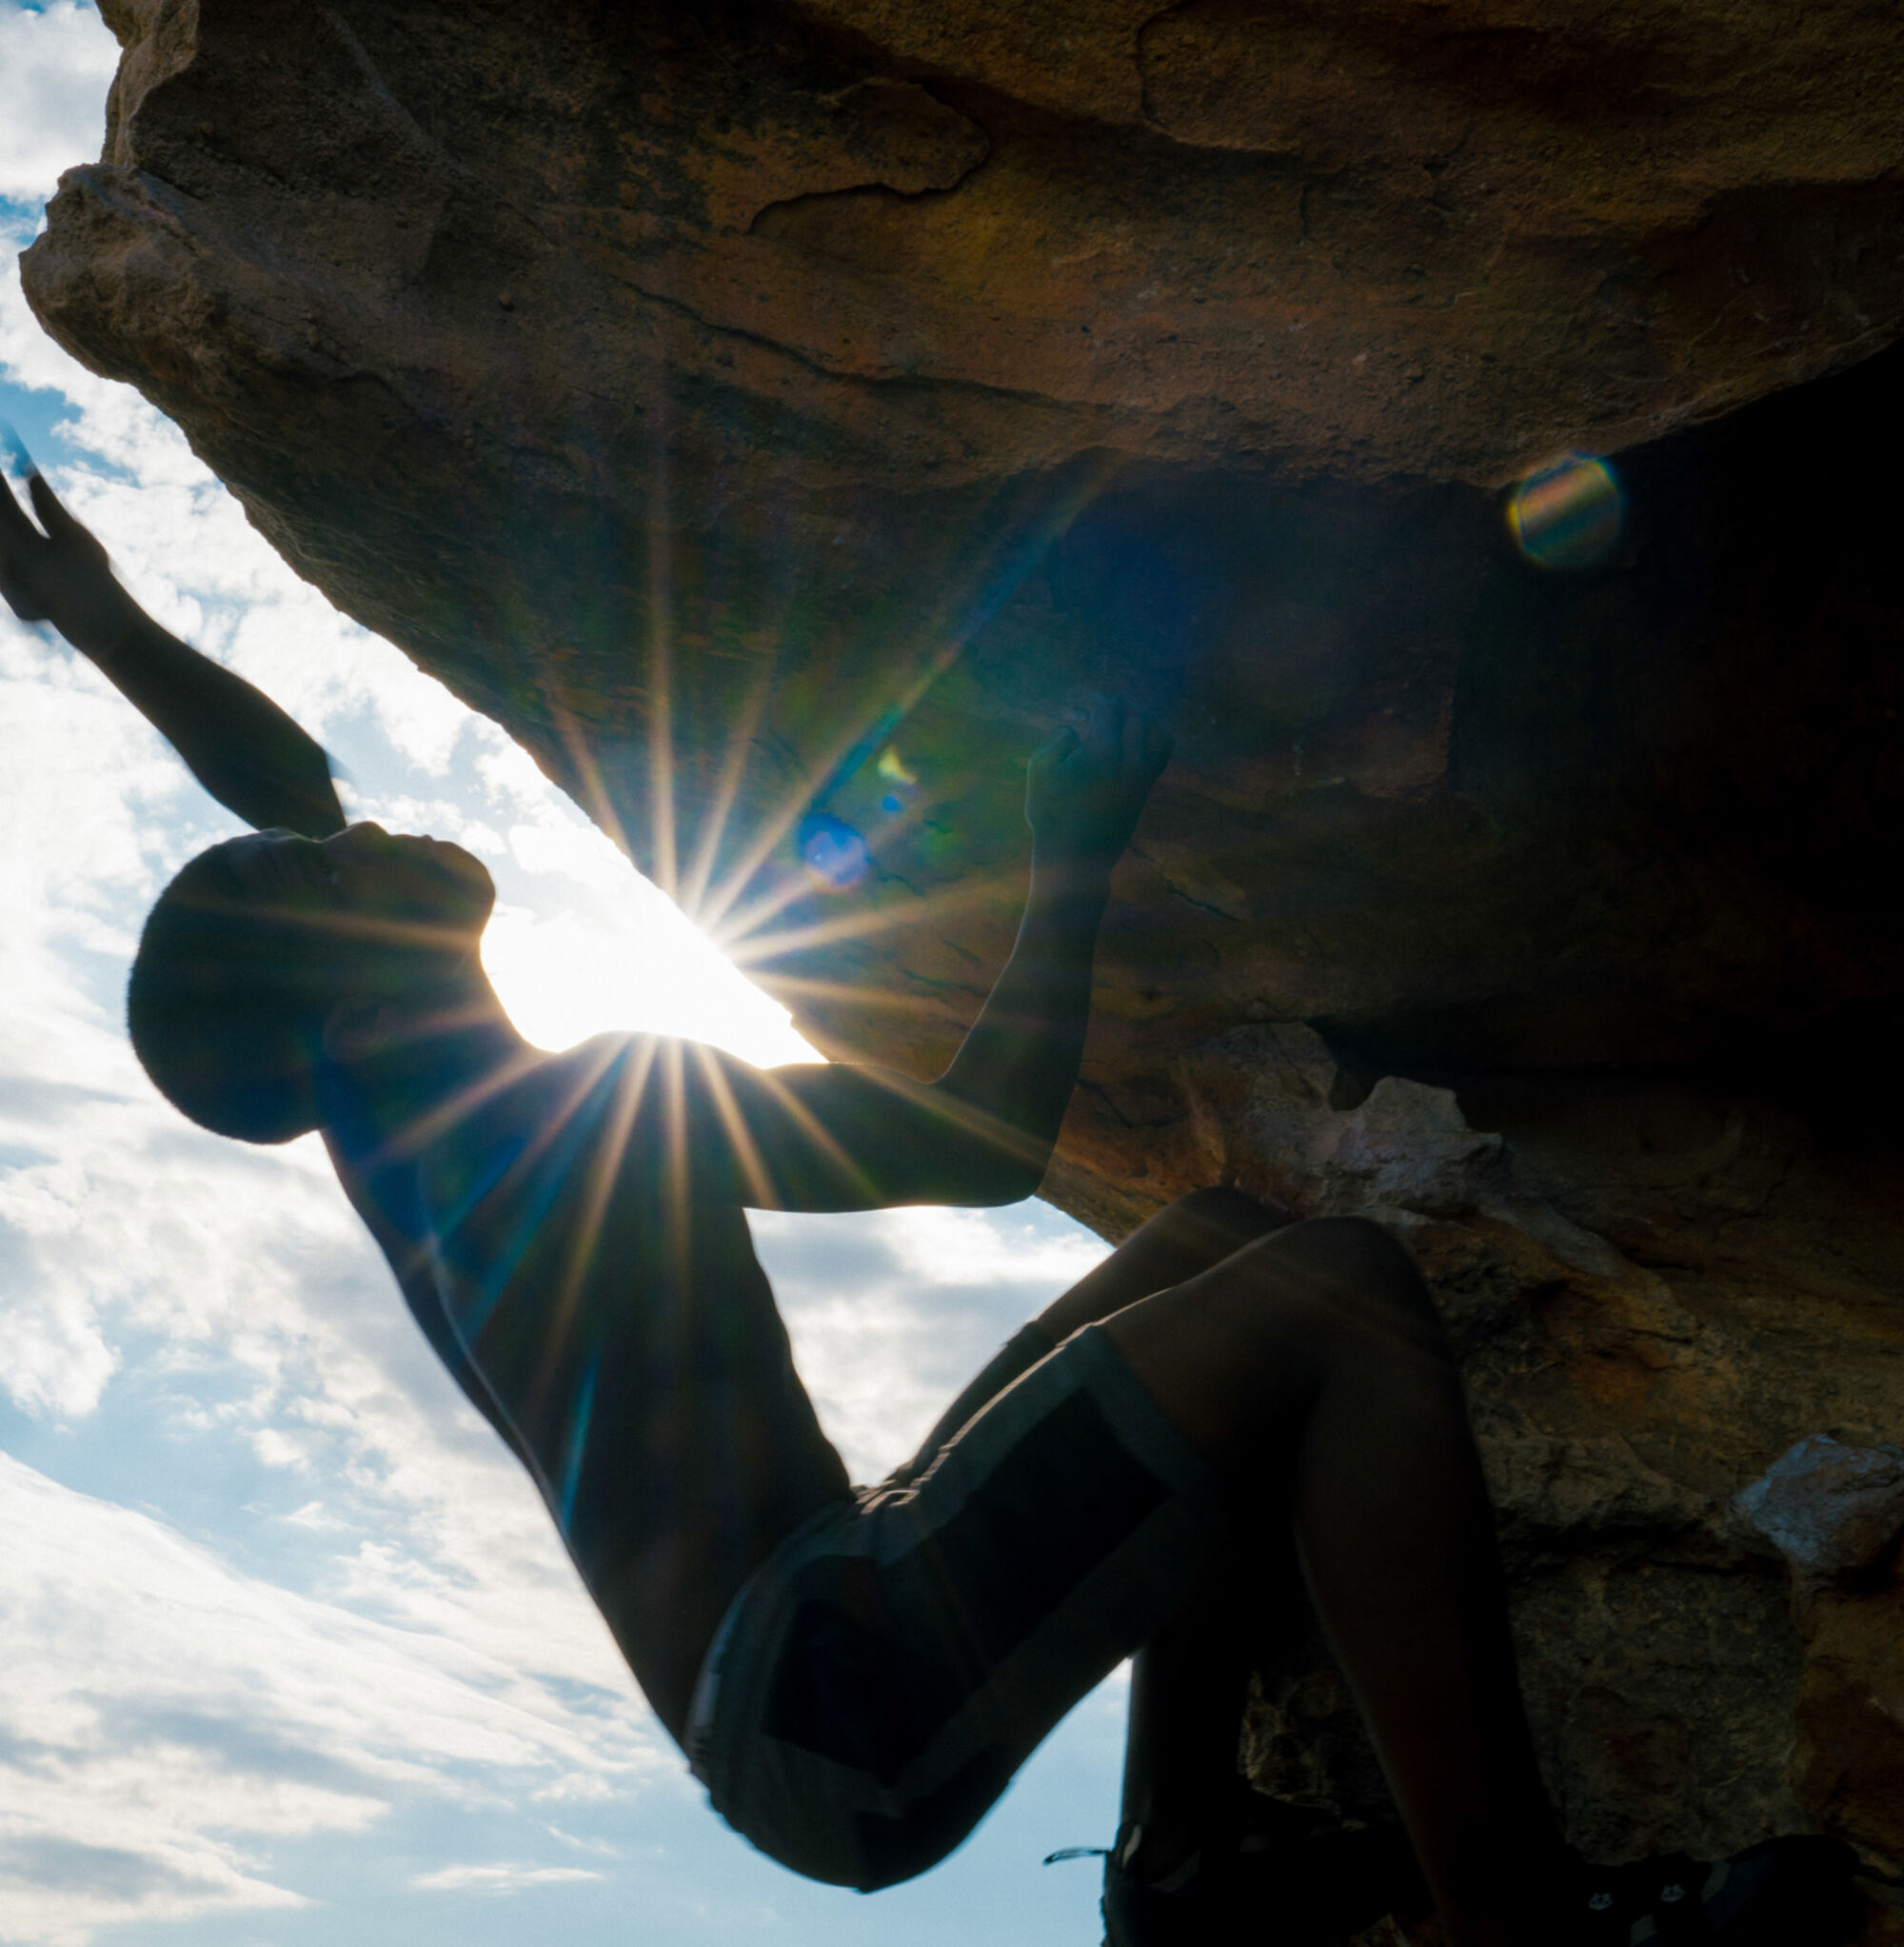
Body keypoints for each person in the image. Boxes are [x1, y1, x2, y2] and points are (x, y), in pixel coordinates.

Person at [0, 451, 1864, 1947]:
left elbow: (285, 785)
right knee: (1338, 1301)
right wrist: (1069, 846)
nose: (349, 832)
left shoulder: (427, 1116)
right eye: (305, 880)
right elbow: (967, 1148)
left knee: (1217, 1254)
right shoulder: (543, 1124)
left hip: (824, 1646)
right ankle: (1515, 1919)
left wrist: (103, 622)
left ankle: (1183, 1851)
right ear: (336, 999)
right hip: (834, 1696)